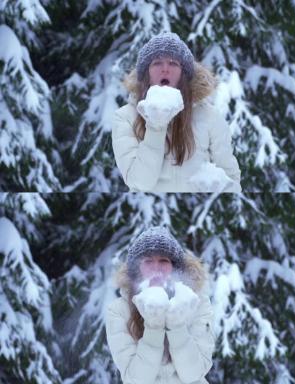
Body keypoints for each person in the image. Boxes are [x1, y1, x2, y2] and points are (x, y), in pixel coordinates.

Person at [112, 32, 241, 192]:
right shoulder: (125, 117)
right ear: (146, 73)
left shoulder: (209, 116)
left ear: (183, 74)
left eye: (173, 63)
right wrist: (155, 126)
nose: (165, 69)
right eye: (157, 63)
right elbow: (140, 183)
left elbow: (231, 179)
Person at [105, 226, 214, 383]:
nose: (156, 268)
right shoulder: (119, 310)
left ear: (174, 267)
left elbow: (193, 374)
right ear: (137, 269)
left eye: (163, 261)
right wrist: (154, 326)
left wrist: (177, 325)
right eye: (148, 261)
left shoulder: (197, 303)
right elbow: (136, 379)